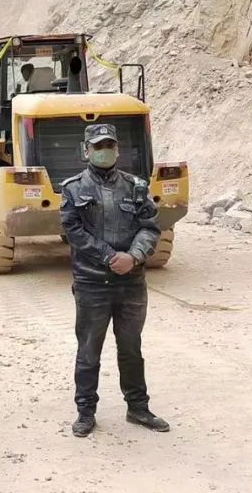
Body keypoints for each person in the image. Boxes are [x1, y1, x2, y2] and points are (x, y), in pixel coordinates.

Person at [59, 123, 170, 436]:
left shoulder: (136, 187)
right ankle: (85, 412)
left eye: (109, 145)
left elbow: (150, 227)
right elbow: (73, 231)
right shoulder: (73, 188)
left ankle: (138, 408)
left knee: (131, 349)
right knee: (89, 351)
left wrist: (133, 257)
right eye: (98, 146)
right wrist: (110, 257)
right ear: (86, 151)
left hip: (131, 283)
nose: (104, 151)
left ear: (117, 150)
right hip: (92, 283)